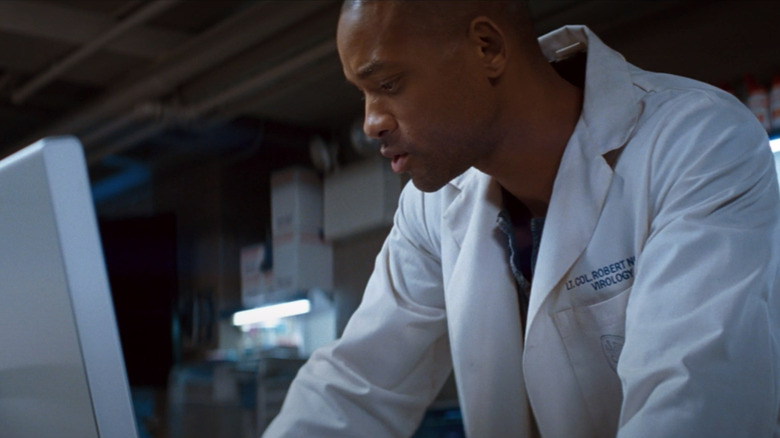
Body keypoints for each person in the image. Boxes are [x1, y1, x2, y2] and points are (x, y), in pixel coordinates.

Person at [263, 1, 780, 437]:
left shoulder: (695, 142)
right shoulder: (432, 206)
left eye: (390, 84)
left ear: (487, 48)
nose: (371, 122)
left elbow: (692, 400)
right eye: (363, 94)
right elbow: (353, 389)